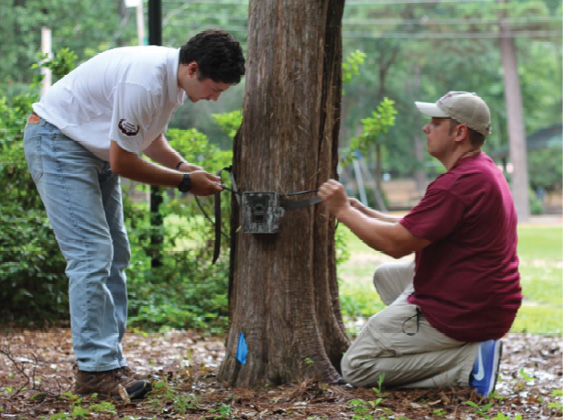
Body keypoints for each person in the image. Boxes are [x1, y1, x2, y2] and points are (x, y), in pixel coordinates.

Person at [23, 29, 245, 400]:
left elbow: (149, 140)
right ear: (193, 68)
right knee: (91, 254)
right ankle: (95, 371)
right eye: (215, 88)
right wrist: (185, 182)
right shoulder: (145, 81)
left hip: (89, 150)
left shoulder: (172, 81)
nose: (214, 98)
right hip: (57, 142)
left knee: (116, 254)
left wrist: (184, 166)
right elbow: (123, 160)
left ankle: (109, 363)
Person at [318, 91, 522, 397]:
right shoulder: (481, 169)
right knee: (386, 276)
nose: (426, 129)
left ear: (459, 132)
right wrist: (363, 212)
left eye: (435, 123)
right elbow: (411, 229)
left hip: (465, 308)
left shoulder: (458, 185)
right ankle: (449, 344)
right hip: (482, 298)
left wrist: (341, 211)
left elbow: (396, 244)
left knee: (356, 367)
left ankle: (468, 362)